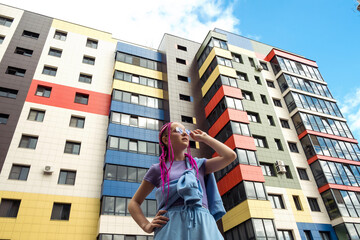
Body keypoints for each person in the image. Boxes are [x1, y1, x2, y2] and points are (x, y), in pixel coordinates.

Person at [128, 122, 237, 239]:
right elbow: (134, 203)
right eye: (178, 131)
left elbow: (230, 156)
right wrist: (146, 226)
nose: (185, 133)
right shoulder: (157, 169)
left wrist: (205, 138)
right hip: (171, 225)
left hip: (203, 224)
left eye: (186, 131)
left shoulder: (199, 165)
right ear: (166, 139)